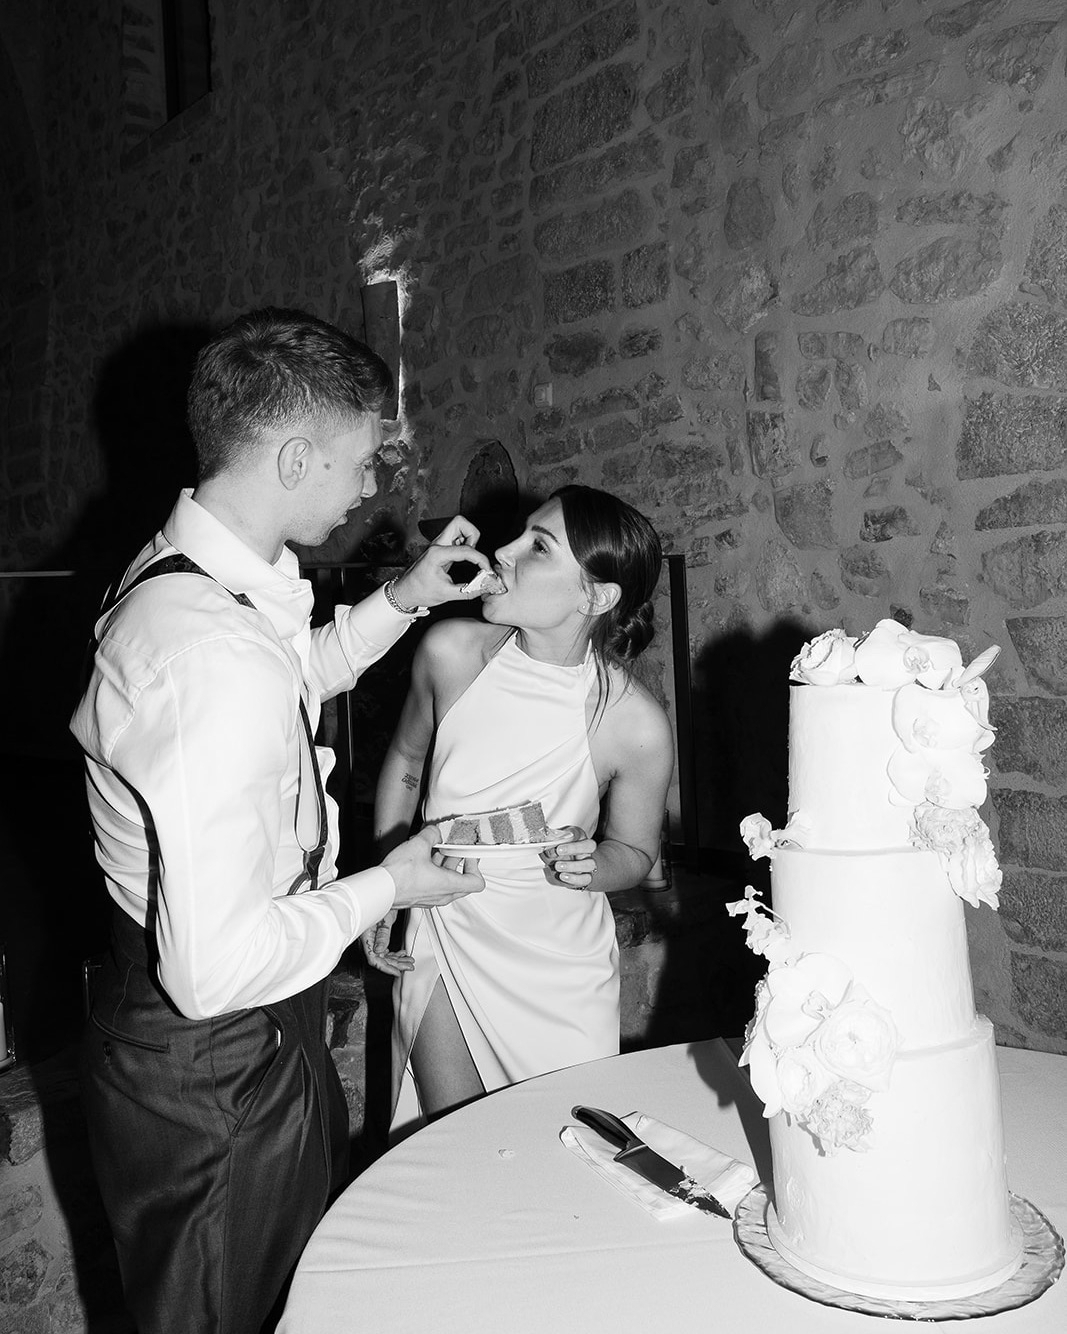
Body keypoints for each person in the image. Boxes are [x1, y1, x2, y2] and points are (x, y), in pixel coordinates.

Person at [70, 307, 488, 1334]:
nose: (371, 484)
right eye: (361, 458)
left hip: (237, 1020)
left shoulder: (198, 574)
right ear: (294, 457)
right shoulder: (209, 656)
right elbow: (213, 971)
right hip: (215, 1054)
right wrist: (390, 884)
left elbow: (289, 680)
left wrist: (403, 597)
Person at [363, 485, 674, 1131]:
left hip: (559, 966)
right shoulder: (448, 651)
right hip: (446, 924)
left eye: (538, 547)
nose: (503, 550)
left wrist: (594, 865)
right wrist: (388, 881)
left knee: (559, 1151)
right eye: (521, 534)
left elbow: (636, 852)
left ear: (596, 596)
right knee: (455, 1140)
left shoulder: (634, 723)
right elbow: (407, 762)